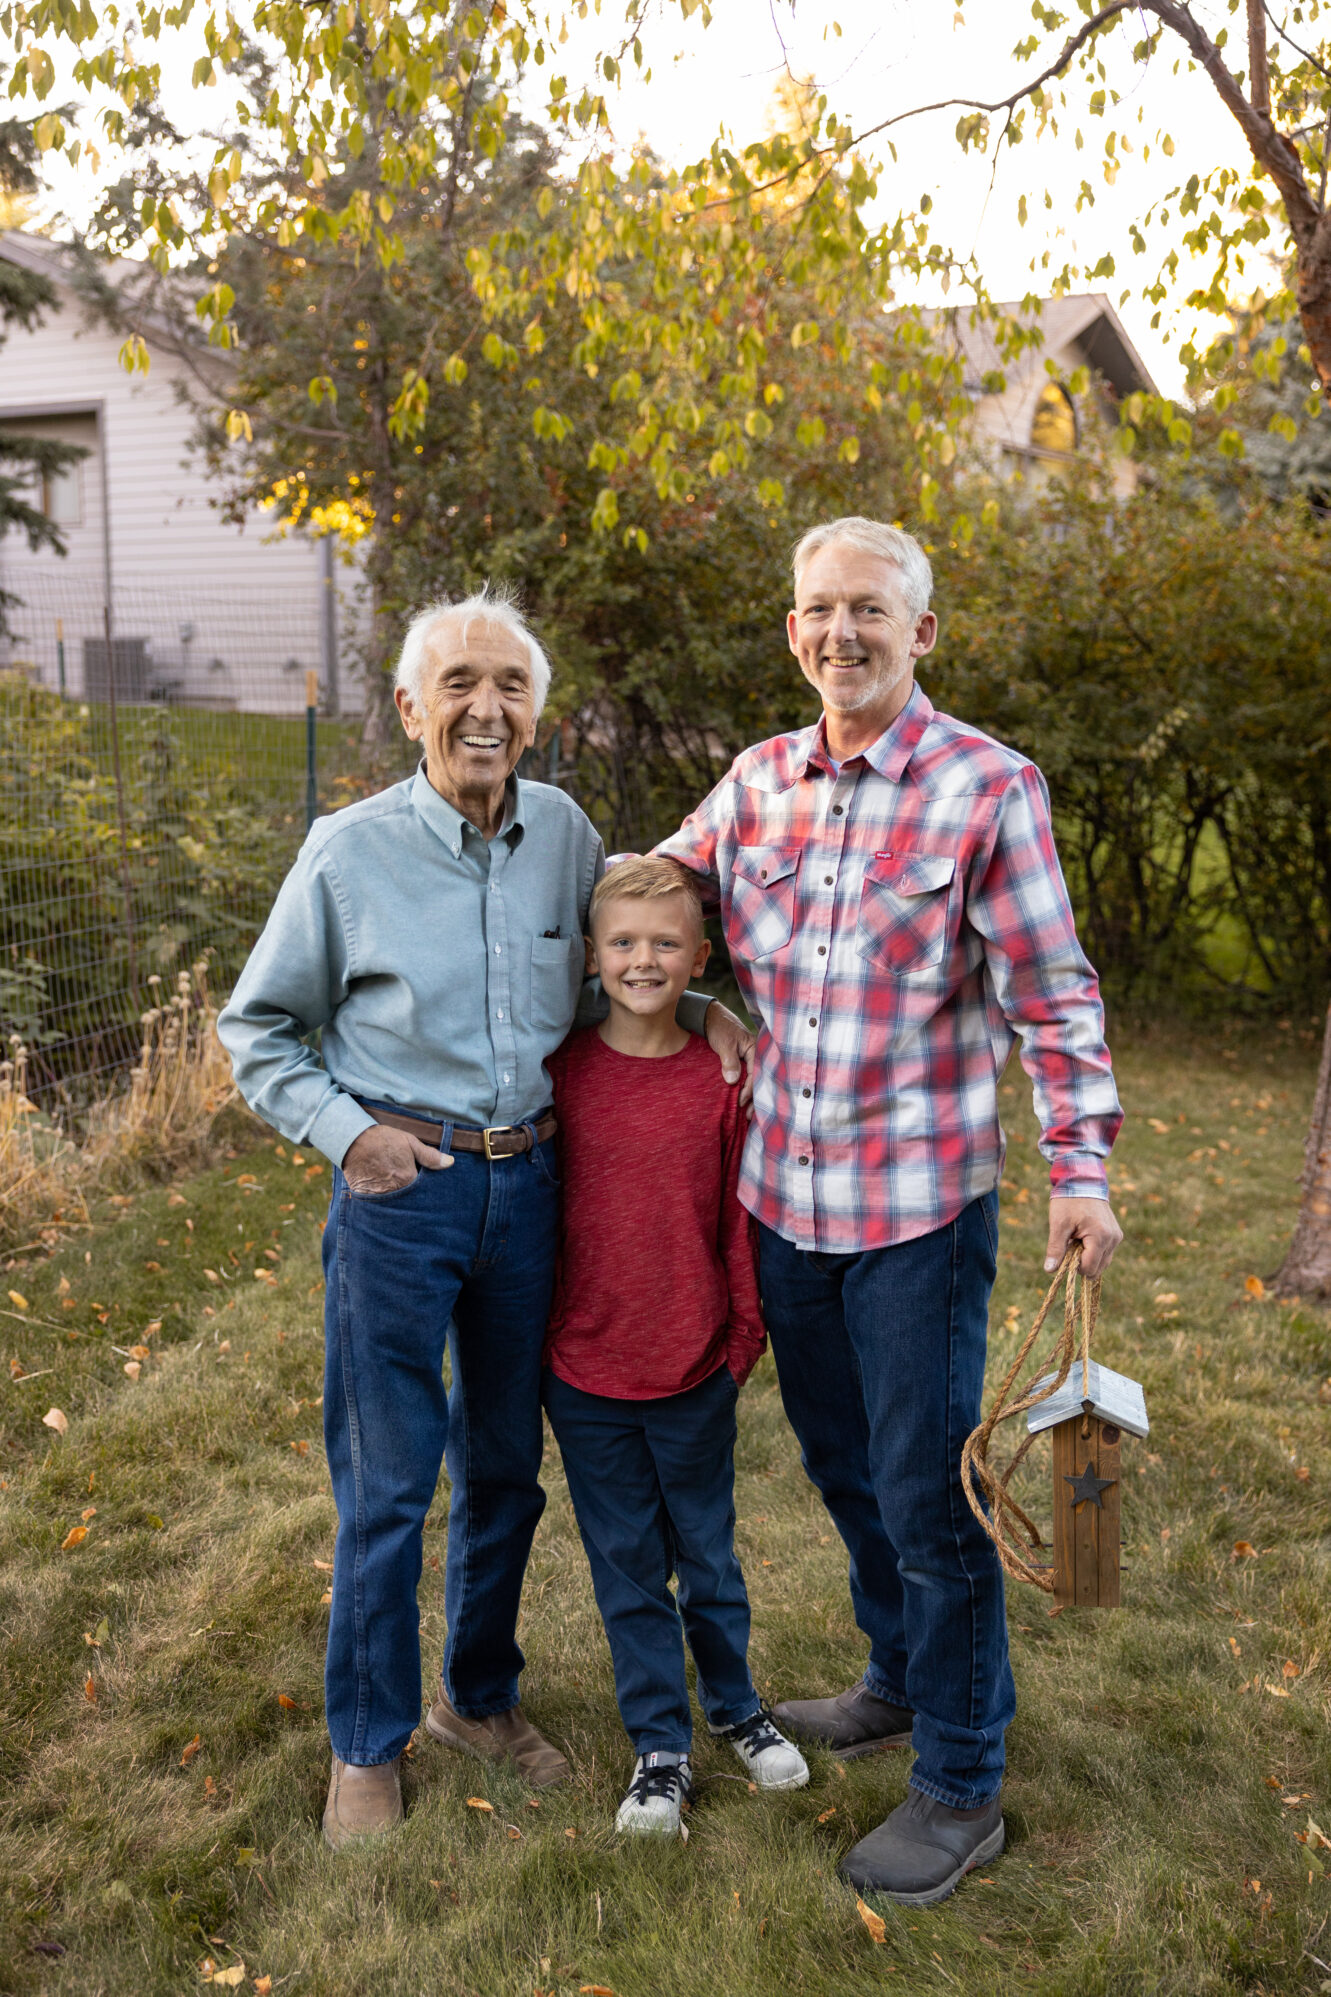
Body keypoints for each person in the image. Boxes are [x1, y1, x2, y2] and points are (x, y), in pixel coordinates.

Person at [216, 588, 751, 1850]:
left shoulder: (566, 834)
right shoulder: (347, 853)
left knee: (505, 1467)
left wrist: (704, 1009)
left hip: (532, 1190)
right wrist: (350, 1134)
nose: (484, 707)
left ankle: (478, 1694)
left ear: (536, 713)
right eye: (458, 682)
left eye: (509, 686)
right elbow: (257, 1030)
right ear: (409, 707)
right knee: (390, 1478)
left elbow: (622, 957)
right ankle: (366, 1740)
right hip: (403, 1191)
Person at [656, 516, 1125, 1906]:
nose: (839, 632)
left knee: (930, 1494)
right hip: (782, 1211)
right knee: (846, 1471)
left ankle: (962, 1778)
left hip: (916, 1211)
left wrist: (1081, 1166)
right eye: (816, 610)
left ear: (919, 632)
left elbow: (1054, 996)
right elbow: (650, 901)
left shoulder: (986, 788)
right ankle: (900, 1678)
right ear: (790, 632)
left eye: (868, 609)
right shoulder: (751, 787)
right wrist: (686, 994)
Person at [542, 857, 808, 1837]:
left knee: (706, 1551)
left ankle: (735, 1704)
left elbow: (739, 1220)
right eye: (621, 942)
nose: (641, 959)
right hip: (584, 1370)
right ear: (589, 957)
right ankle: (659, 1744)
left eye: (664, 944)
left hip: (695, 1362)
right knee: (626, 1562)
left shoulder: (722, 1075)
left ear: (699, 957)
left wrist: (740, 1341)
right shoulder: (559, 1075)